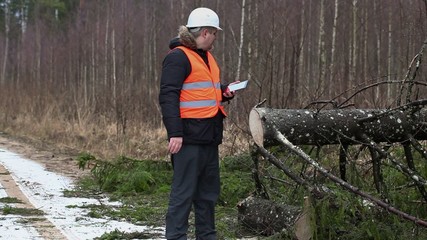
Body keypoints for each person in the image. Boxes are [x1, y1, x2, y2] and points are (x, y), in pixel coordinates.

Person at [158, 7, 236, 240]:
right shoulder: (178, 57)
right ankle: (176, 237)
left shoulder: (207, 58)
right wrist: (175, 133)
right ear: (204, 32)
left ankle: (207, 236)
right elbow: (168, 96)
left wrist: (224, 92)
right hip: (188, 139)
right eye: (214, 33)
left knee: (208, 195)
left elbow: (203, 93)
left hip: (209, 137)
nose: (215, 38)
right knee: (183, 194)